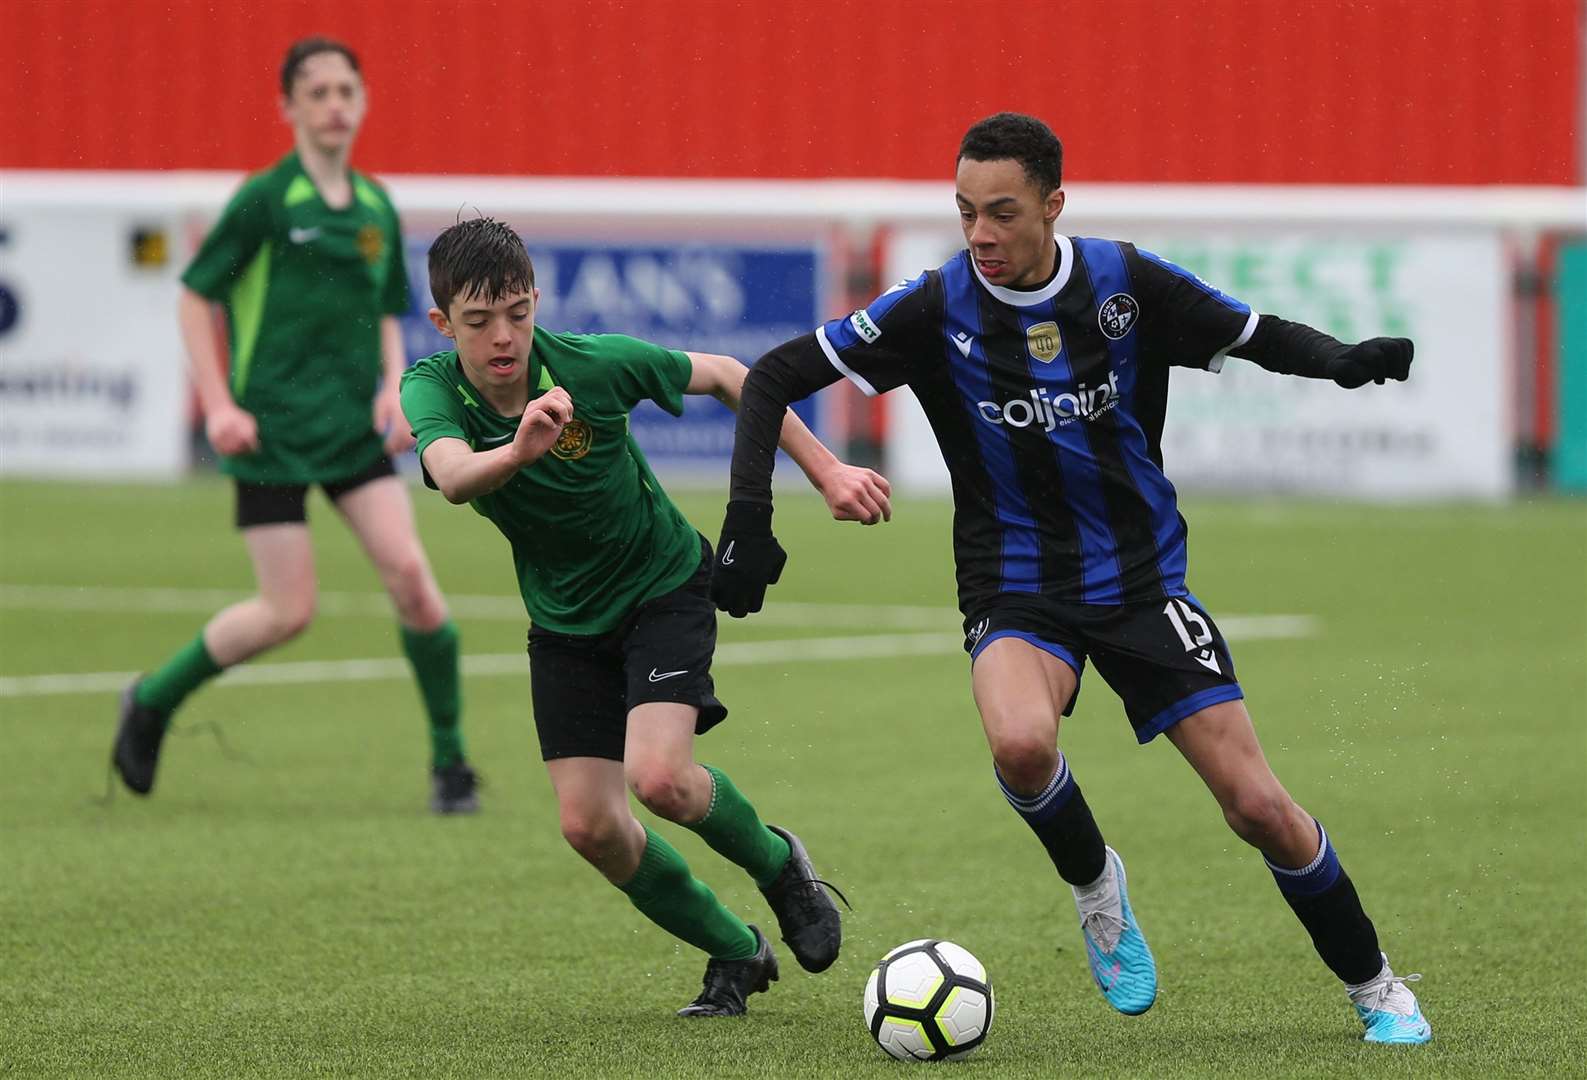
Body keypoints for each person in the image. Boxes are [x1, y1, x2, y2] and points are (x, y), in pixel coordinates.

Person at [712, 112, 1431, 1045]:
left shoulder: (1124, 283)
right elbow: (769, 375)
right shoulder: (933, 306)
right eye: (965, 211)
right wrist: (749, 518)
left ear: (1053, 205)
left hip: (1140, 581)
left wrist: (1339, 361)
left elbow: (1251, 332)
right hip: (1014, 582)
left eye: (1001, 213)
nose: (979, 234)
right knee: (1018, 743)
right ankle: (1096, 887)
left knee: (1257, 806)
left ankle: (1376, 987)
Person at [399, 216, 891, 1016]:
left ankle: (778, 867)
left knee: (658, 779)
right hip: (563, 623)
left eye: (517, 314)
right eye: (479, 321)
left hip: (663, 586)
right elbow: (452, 475)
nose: (503, 337)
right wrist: (520, 452)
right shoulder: (429, 387)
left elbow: (734, 375)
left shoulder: (590, 367)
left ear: (535, 303)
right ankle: (735, 952)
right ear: (442, 323)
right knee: (589, 826)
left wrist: (828, 471)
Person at [111, 37, 478, 813]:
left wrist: (392, 390)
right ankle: (151, 700)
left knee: (412, 579)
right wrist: (218, 403)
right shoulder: (266, 199)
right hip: (269, 434)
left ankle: (451, 765)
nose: (335, 105)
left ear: (364, 101)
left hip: (351, 433)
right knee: (287, 613)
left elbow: (387, 313)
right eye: (317, 93)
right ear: (288, 108)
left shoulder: (375, 207)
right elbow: (192, 297)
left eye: (347, 90)